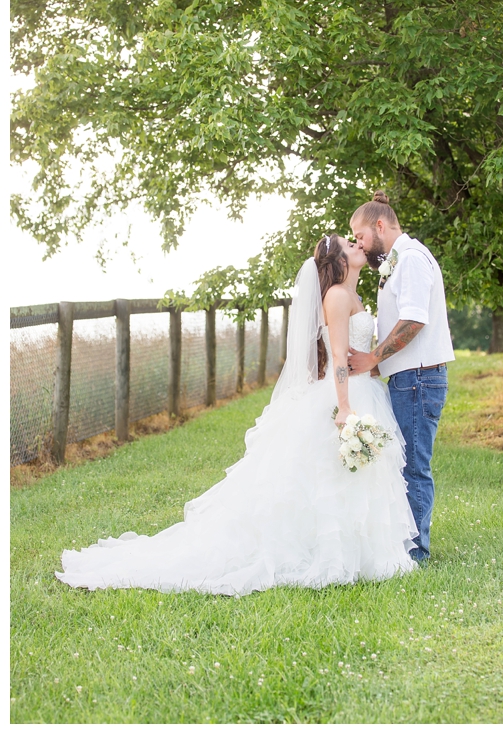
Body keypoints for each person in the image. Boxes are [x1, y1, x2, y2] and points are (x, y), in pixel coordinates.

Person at [56, 235, 418, 594]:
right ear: (338, 261)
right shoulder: (338, 296)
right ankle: (331, 553)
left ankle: (359, 553)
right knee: (331, 476)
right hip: (344, 395)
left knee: (351, 477)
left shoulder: (353, 295)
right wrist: (344, 408)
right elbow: (339, 356)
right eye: (348, 245)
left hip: (362, 389)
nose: (357, 246)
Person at [348, 192, 454, 563]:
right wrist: (378, 366)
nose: (358, 244)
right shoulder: (398, 260)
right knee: (404, 461)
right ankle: (407, 544)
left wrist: (373, 358)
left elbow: (414, 320)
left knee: (413, 466)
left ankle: (416, 552)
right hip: (407, 378)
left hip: (419, 380)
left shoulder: (409, 260)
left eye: (359, 236)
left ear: (379, 226)